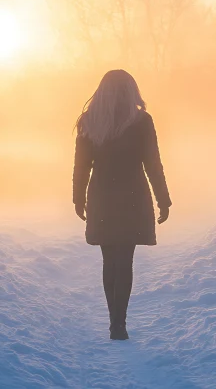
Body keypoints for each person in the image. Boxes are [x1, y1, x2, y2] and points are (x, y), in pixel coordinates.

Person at [72, 69, 171, 341]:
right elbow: (153, 163)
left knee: (109, 260)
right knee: (125, 260)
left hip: (102, 197)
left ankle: (113, 321)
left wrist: (78, 198)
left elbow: (81, 166)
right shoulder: (141, 121)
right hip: (132, 197)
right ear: (131, 91)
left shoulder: (90, 121)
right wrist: (163, 199)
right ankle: (120, 324)